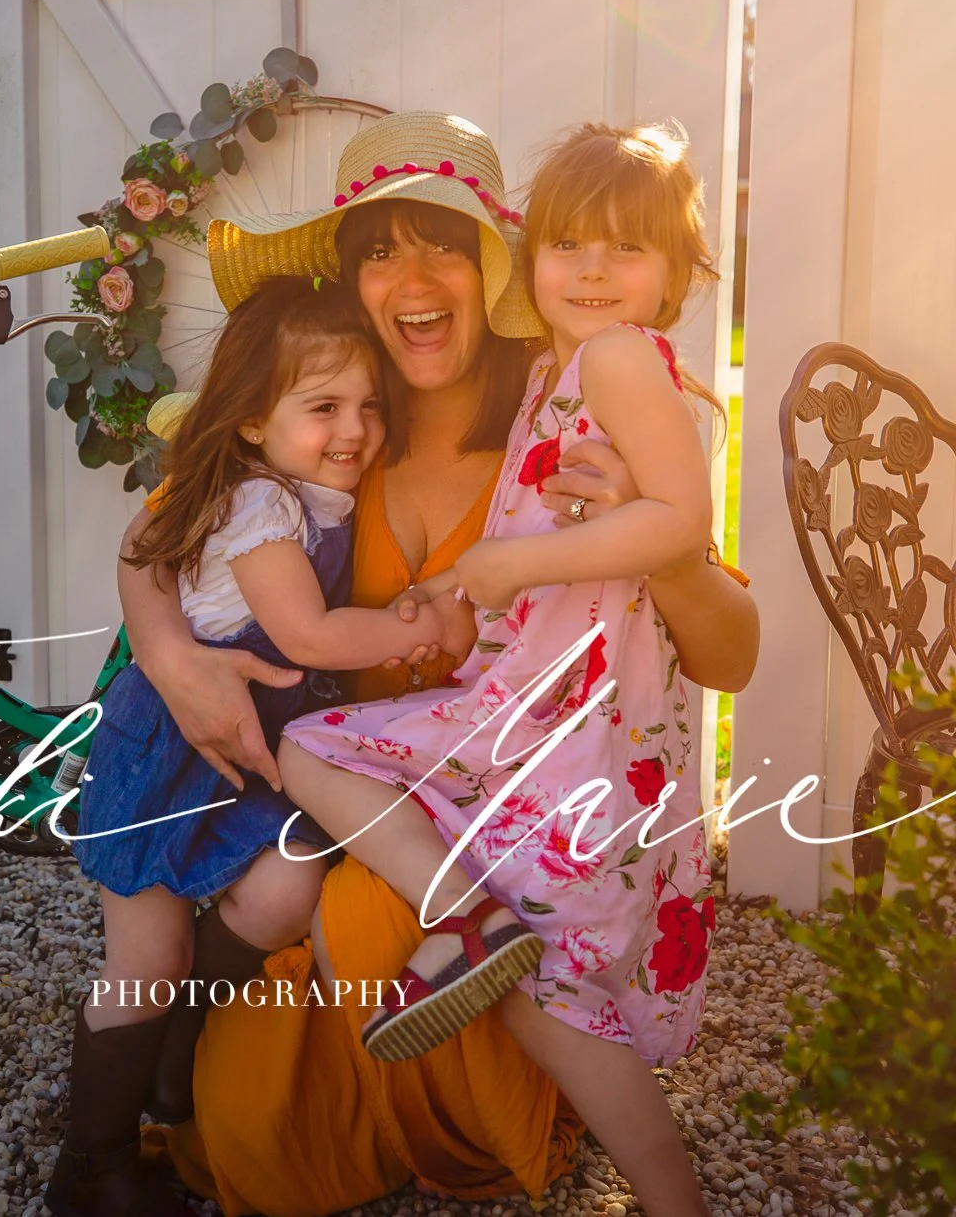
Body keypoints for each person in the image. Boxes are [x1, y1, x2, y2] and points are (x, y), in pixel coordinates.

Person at [119, 113, 756, 1217]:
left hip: (515, 805)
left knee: (382, 920)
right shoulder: (324, 424)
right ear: (350, 282)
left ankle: (501, 1091)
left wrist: (665, 550)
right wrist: (169, 651)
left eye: (441, 245)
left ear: (490, 266)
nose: (411, 277)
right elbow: (160, 529)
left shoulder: (579, 400)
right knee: (253, 1142)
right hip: (367, 812)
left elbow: (731, 656)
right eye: (377, 249)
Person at [276, 121, 723, 1208]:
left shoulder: (615, 361)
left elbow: (678, 521)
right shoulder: (548, 382)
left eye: (625, 250)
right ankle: (668, 1192)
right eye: (569, 245)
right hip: (529, 701)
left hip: (571, 721)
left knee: (311, 749)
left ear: (677, 274)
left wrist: (508, 562)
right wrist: (457, 590)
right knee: (546, 976)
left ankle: (462, 923)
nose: (591, 271)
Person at [49, 276, 463, 1217]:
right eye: (323, 407)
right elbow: (311, 637)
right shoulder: (261, 507)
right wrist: (416, 629)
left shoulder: (304, 490)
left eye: (368, 405)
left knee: (284, 884)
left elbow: (149, 538)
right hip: (166, 756)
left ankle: (179, 1041)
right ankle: (93, 1165)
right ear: (247, 421)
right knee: (144, 952)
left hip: (253, 758)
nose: (354, 428)